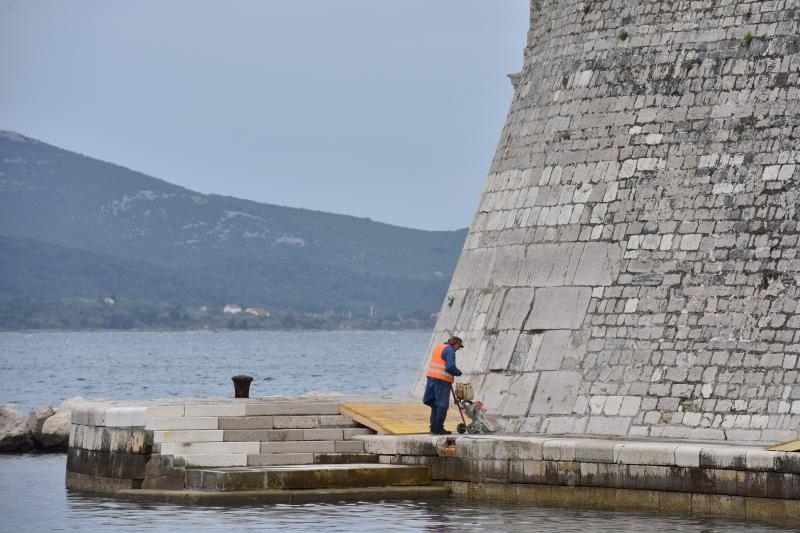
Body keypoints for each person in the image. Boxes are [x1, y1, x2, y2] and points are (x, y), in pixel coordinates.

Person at [422, 336, 463, 434]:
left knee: (435, 406)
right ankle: (438, 429)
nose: (458, 349)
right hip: (441, 381)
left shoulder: (439, 347)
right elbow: (450, 367)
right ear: (454, 343)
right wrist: (458, 372)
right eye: (459, 346)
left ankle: (433, 429)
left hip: (431, 380)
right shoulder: (450, 351)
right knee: (442, 406)